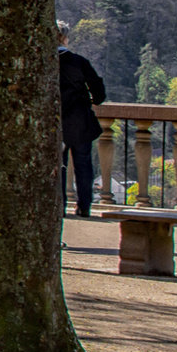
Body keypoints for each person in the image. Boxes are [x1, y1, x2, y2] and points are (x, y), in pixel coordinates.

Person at [59, 20, 107, 218]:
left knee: (57, 166)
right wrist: (92, 99)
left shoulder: (43, 62)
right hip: (79, 121)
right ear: (65, 37)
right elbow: (99, 93)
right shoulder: (79, 62)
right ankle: (84, 205)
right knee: (83, 165)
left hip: (56, 121)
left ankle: (59, 205)